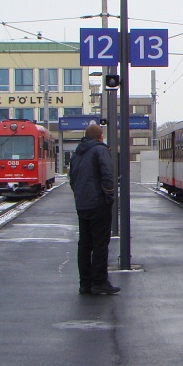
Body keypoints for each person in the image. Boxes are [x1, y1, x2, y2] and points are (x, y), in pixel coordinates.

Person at [69, 123, 120, 295]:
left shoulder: (77, 153)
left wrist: (79, 196)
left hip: (82, 204)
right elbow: (107, 175)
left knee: (84, 244)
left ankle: (85, 283)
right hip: (98, 204)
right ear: (100, 136)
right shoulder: (100, 150)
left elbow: (72, 179)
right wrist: (110, 197)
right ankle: (99, 282)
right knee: (100, 244)